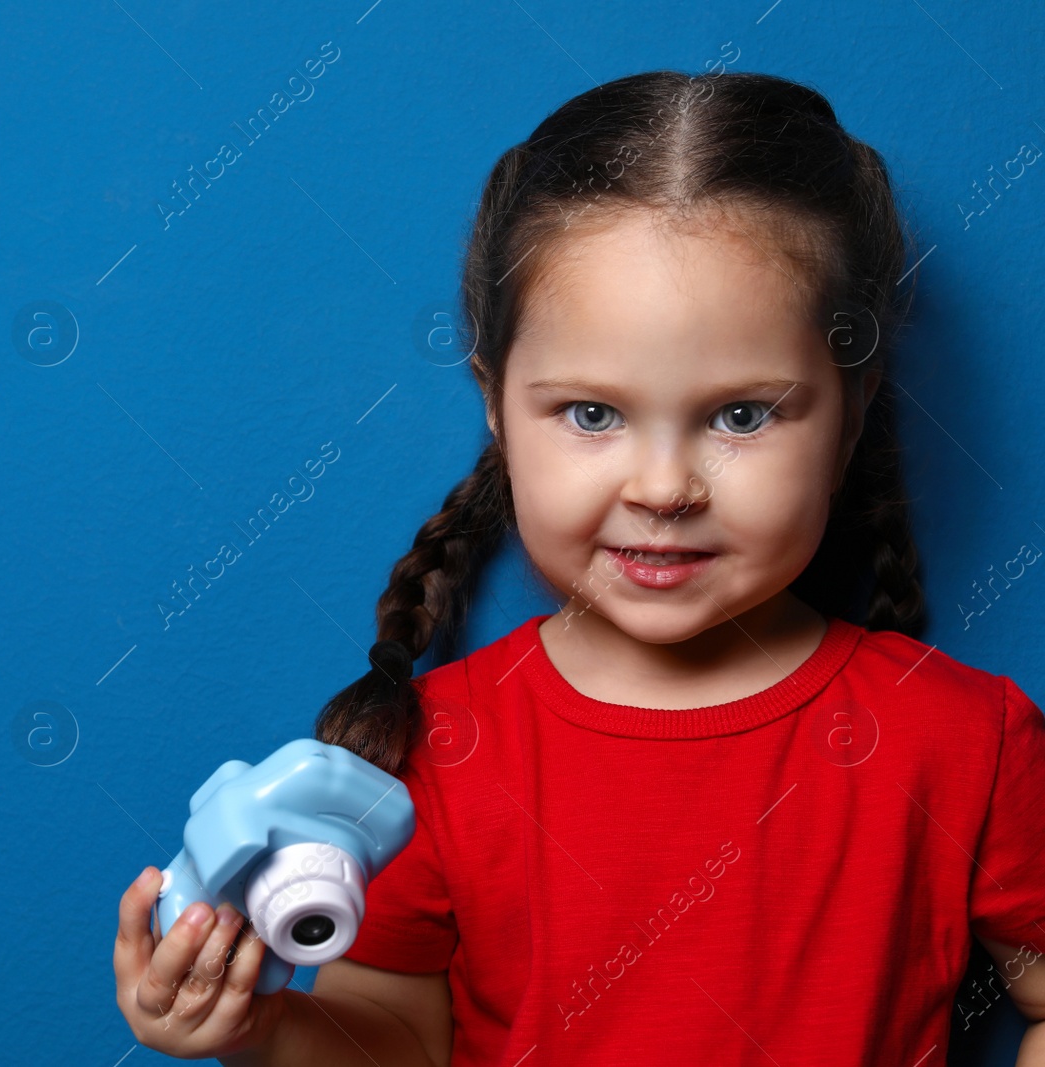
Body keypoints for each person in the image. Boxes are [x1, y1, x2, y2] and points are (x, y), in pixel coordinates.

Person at [112, 68, 1045, 1065]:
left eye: (741, 414)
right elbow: (392, 1039)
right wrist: (261, 1028)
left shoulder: (961, 740)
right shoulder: (432, 754)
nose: (663, 485)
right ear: (494, 403)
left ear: (849, 410)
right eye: (592, 413)